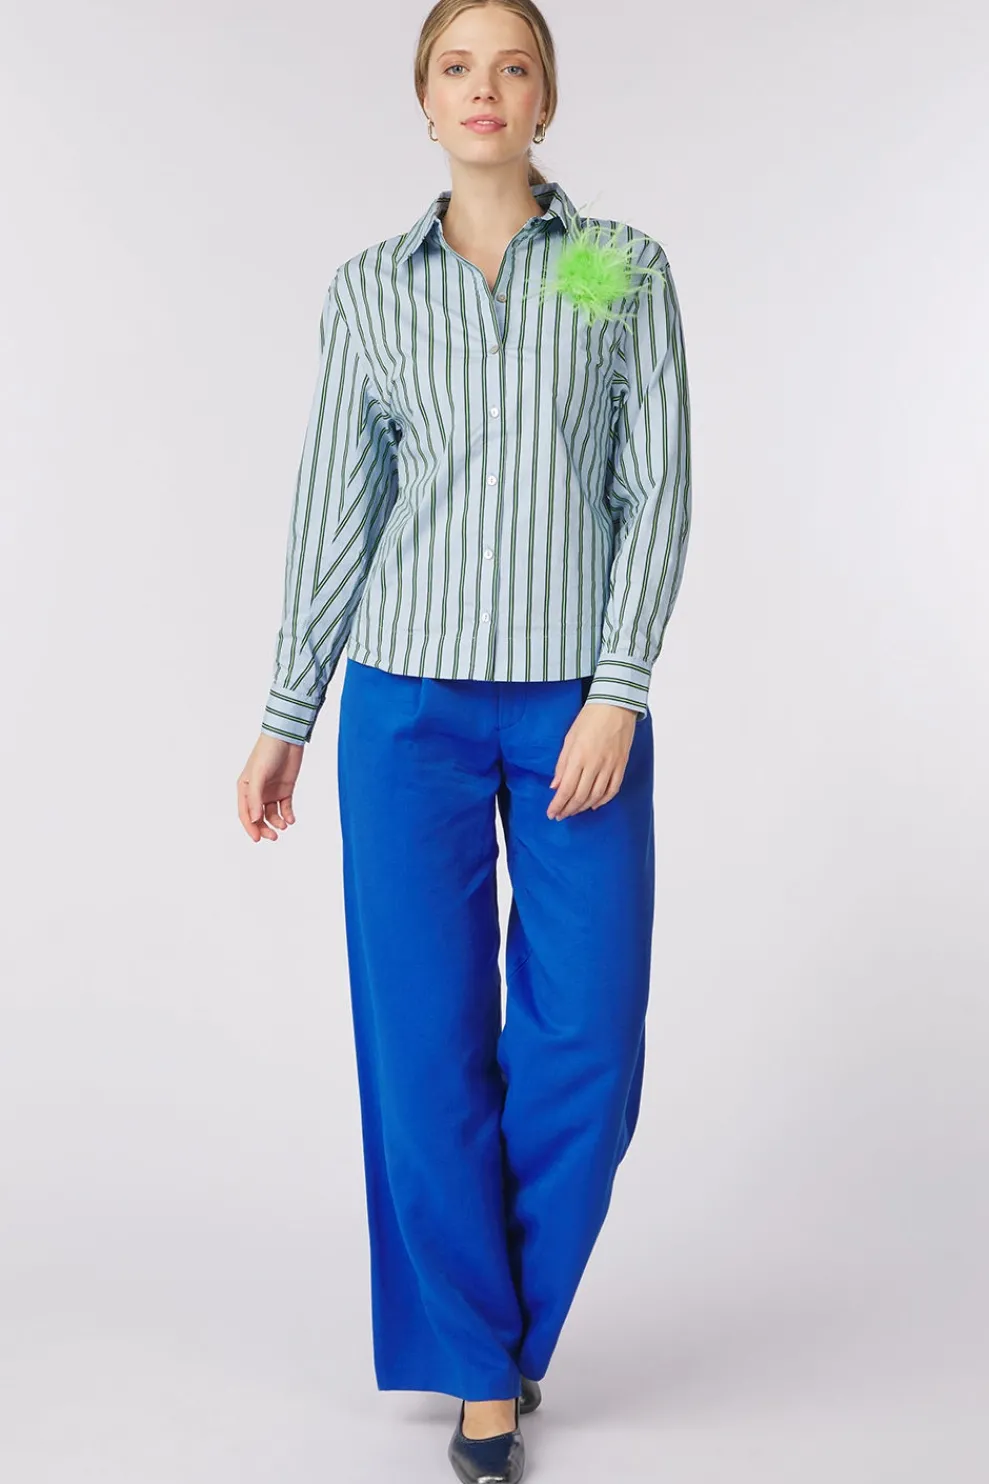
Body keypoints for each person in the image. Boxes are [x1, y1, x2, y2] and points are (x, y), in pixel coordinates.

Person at [236, 2, 691, 1479]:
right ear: (423, 99)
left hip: (576, 710)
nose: (483, 88)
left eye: (512, 66)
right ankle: (482, 1377)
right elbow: (335, 511)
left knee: (587, 1047)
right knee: (423, 1050)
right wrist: (288, 713)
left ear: (546, 96)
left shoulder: (619, 265)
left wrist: (620, 687)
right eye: (456, 67)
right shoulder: (372, 291)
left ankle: (501, 1326)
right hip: (405, 712)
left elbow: (657, 488)